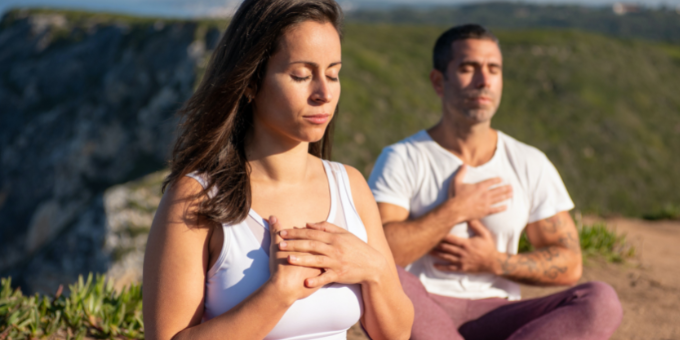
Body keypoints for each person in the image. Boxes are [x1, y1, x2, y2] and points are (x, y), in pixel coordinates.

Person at [141, 1, 414, 339]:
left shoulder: (350, 185)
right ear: (251, 82)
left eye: (333, 73)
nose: (325, 93)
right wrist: (277, 295)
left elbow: (396, 334)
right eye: (301, 75)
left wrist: (374, 269)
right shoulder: (196, 197)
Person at [368, 24, 623, 340]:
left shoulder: (529, 162)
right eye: (467, 68)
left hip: (498, 313)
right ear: (438, 81)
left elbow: (570, 263)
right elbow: (379, 255)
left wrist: (494, 261)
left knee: (600, 300)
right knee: (389, 280)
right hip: (422, 307)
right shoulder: (402, 157)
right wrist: (455, 210)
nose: (483, 80)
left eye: (493, 69)